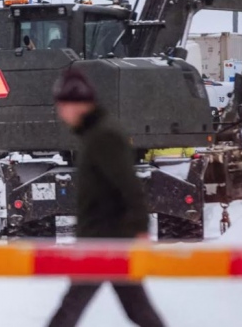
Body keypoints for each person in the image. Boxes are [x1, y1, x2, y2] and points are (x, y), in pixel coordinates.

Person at [47, 69, 165, 327]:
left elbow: (128, 184)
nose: (60, 113)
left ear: (74, 104)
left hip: (105, 239)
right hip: (107, 238)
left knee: (68, 311)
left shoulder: (104, 136)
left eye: (61, 106)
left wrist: (140, 230)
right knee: (137, 309)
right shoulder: (96, 134)